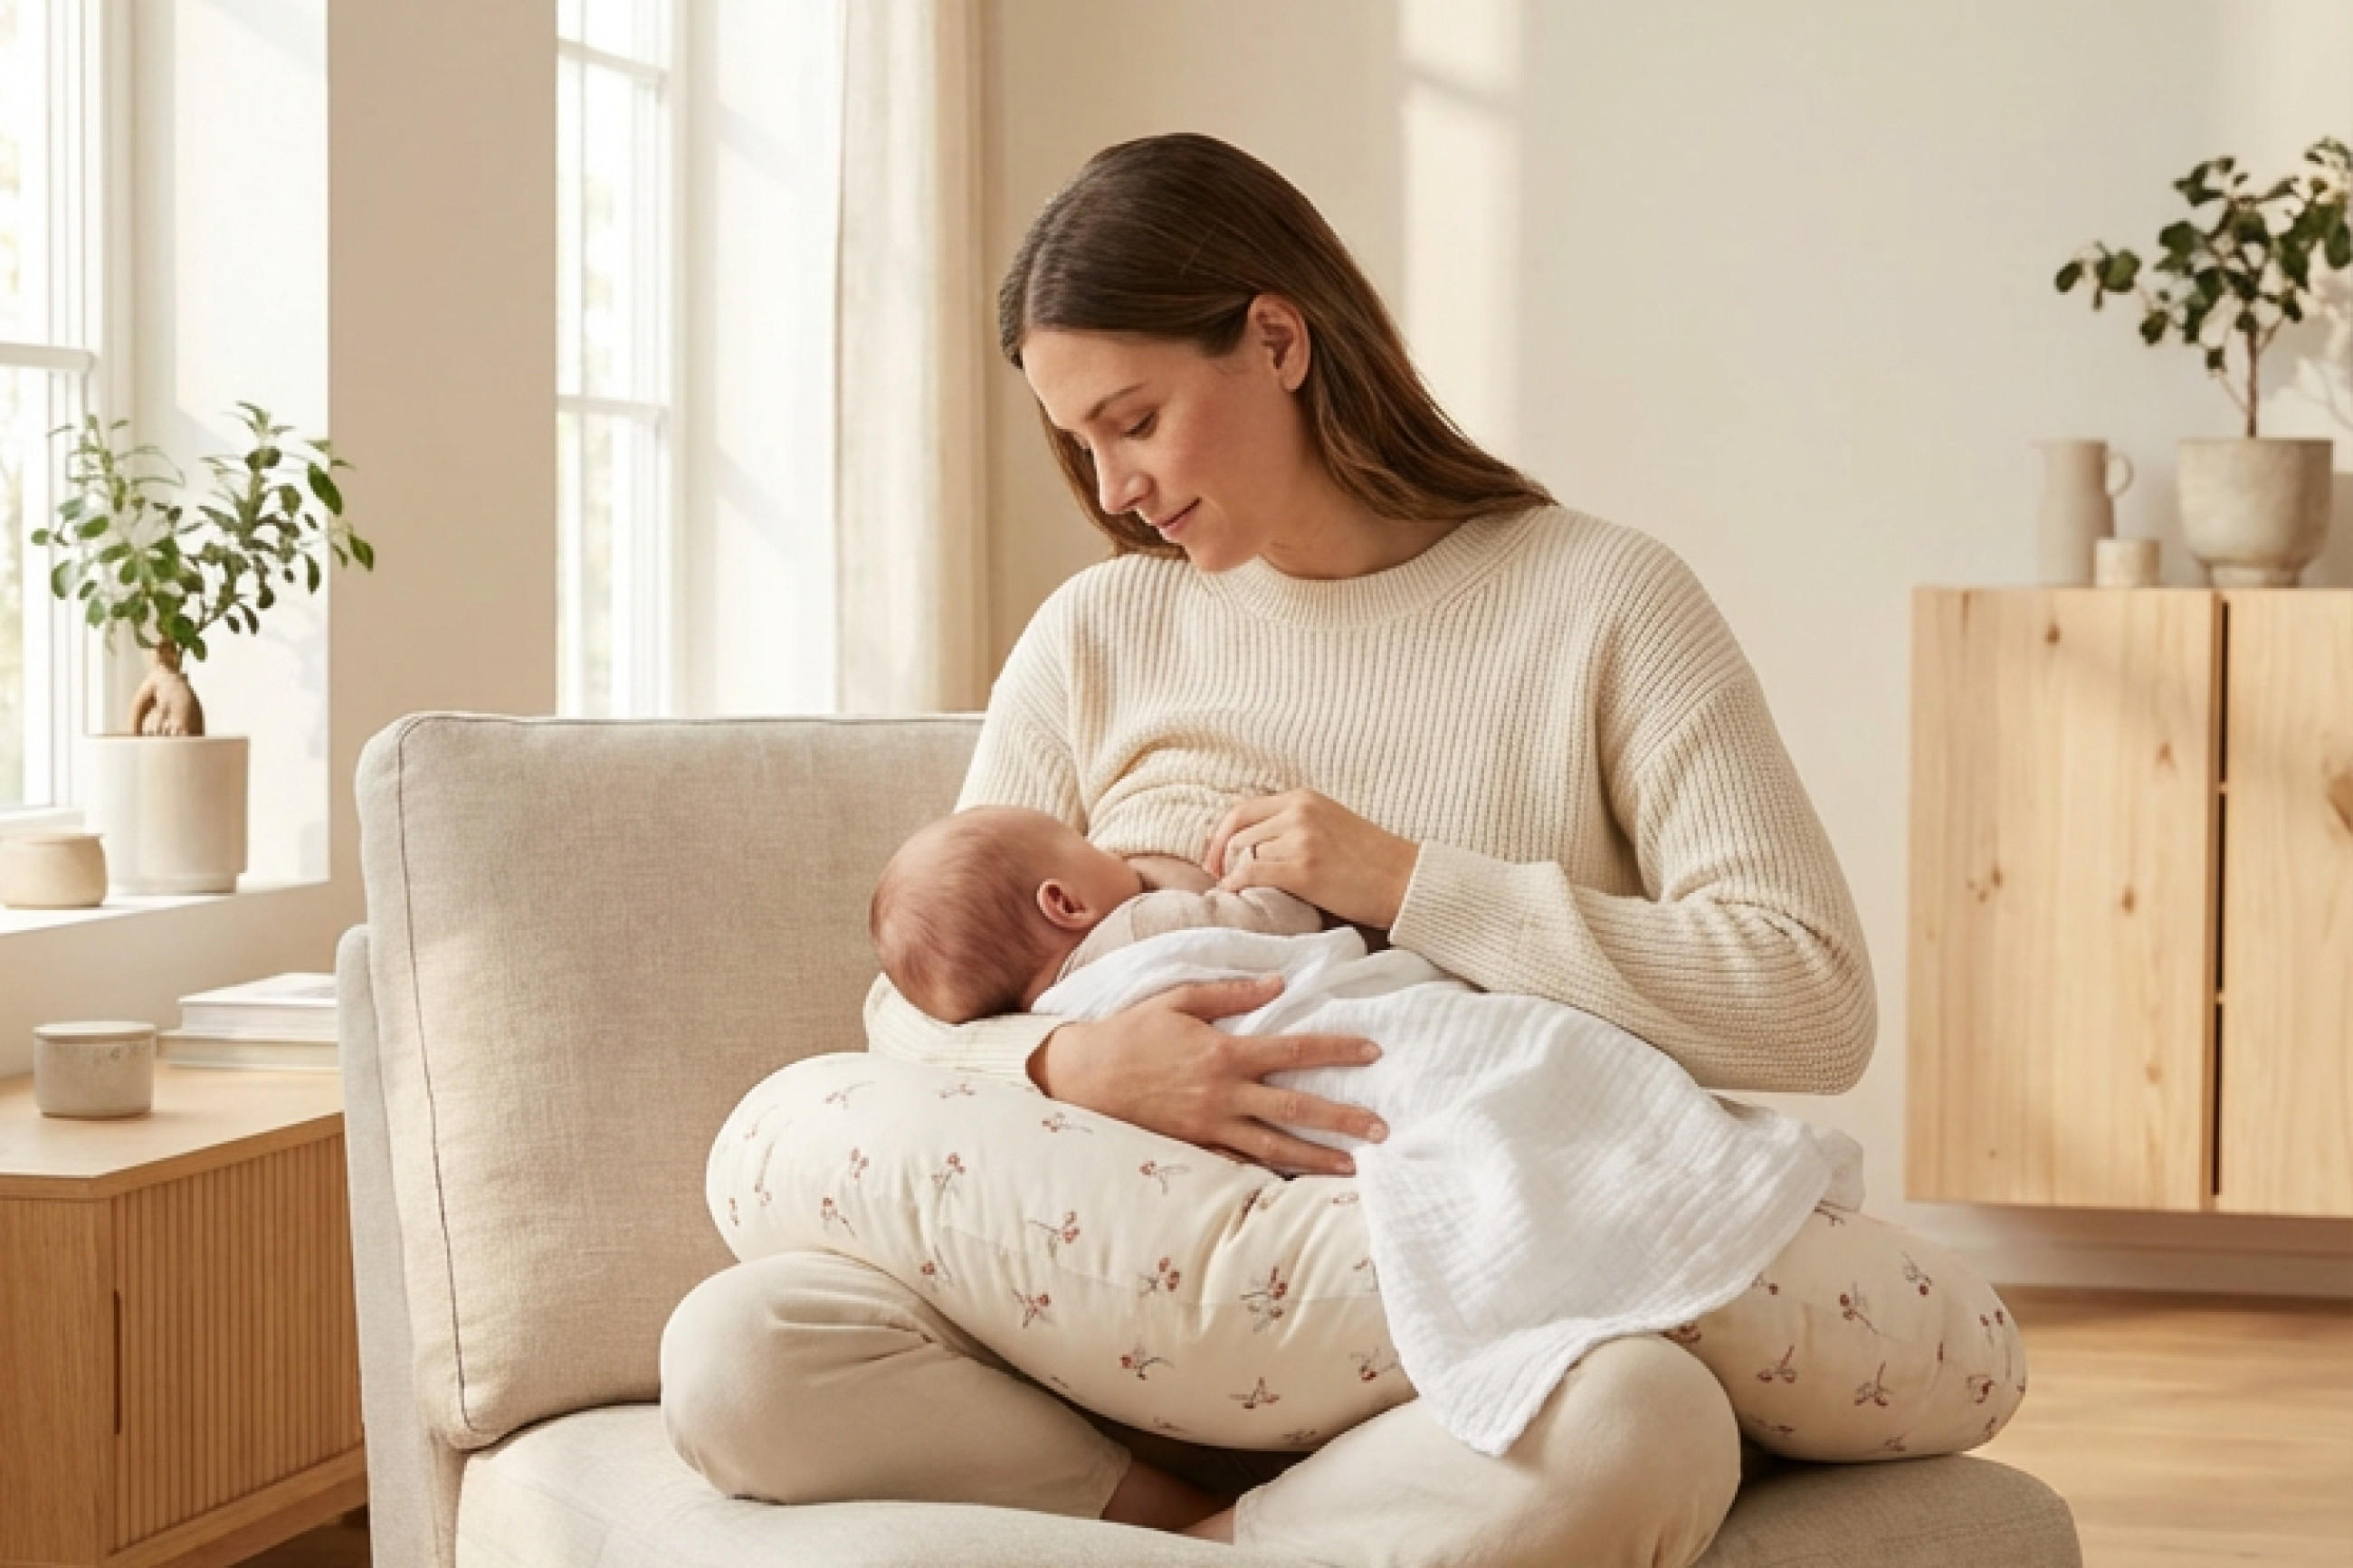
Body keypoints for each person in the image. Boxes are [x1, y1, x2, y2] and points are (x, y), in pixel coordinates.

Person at [662, 131, 1879, 1568]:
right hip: (1112, 1316)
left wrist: (1416, 886)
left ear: (1278, 341)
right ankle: (1213, 1534)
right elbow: (907, 1015)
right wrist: (1070, 1064)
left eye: (1135, 420)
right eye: (1079, 444)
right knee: (744, 1351)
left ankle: (1241, 1534)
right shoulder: (1098, 634)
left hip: (1447, 1326)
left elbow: (1811, 995)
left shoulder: (1601, 602)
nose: (1112, 490)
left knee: (1643, 1425)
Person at [870, 803, 1323, 1024]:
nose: (1113, 851)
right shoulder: (1140, 926)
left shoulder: (1057, 1012)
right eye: (1086, 845)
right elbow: (1284, 925)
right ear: (1067, 904)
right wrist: (1256, 860)